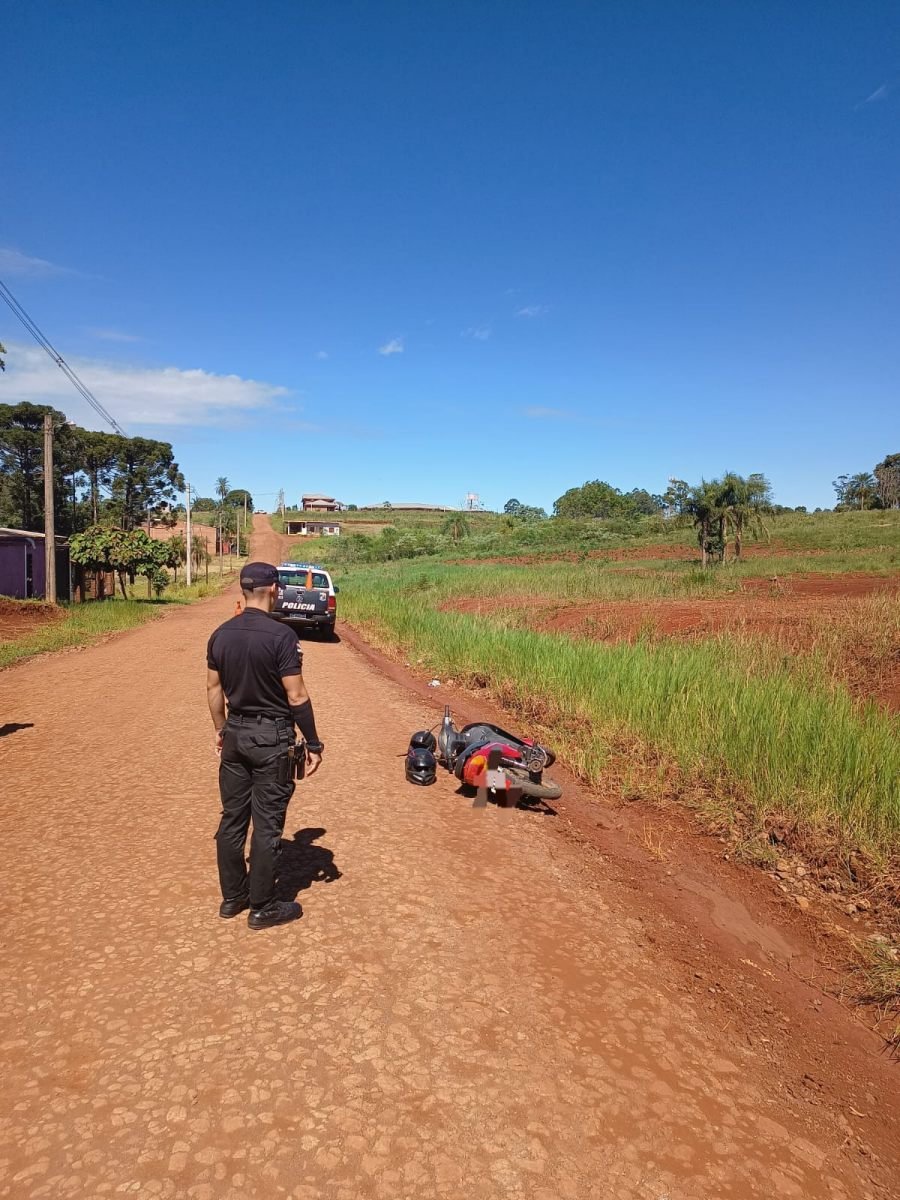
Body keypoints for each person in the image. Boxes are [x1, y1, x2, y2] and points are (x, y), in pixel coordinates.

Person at [206, 561, 323, 929]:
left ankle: (233, 897)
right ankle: (263, 906)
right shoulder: (282, 636)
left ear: (243, 590)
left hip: (236, 735)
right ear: (274, 589)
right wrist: (314, 742)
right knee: (267, 825)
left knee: (232, 819)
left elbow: (213, 689)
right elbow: (296, 694)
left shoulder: (220, 634)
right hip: (271, 739)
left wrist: (222, 730)